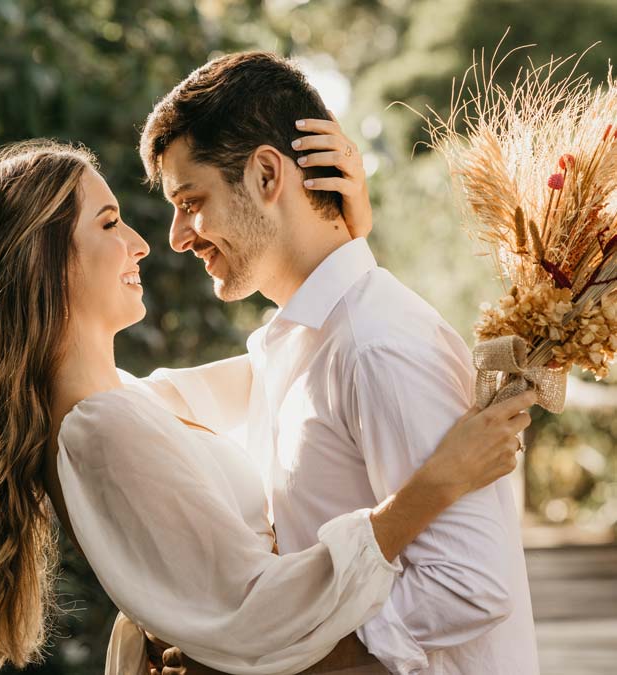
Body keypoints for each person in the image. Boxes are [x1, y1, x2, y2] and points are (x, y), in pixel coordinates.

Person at [0, 138, 534, 675]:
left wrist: (340, 244)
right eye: (109, 224)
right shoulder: (100, 429)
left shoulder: (130, 401)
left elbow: (295, 359)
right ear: (45, 258)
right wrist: (435, 485)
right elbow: (254, 607)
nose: (141, 243)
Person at [134, 51, 541, 674]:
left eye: (191, 200)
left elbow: (470, 583)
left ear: (268, 175)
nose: (177, 235)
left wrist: (263, 666)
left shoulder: (378, 344)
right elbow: (139, 403)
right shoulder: (293, 342)